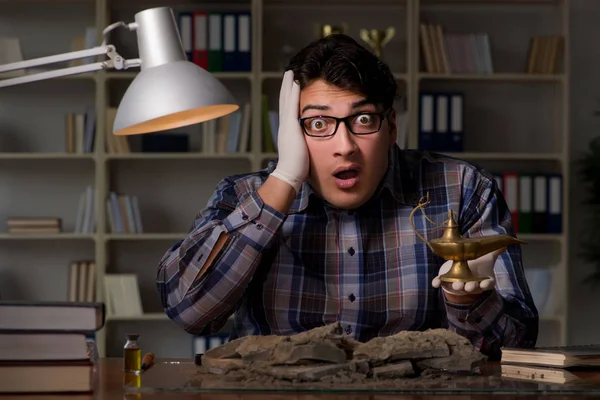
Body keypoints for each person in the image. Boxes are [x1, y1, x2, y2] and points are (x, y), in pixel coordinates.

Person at [156, 34, 538, 361]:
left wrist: (468, 304)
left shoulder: (463, 190)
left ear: (391, 127)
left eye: (363, 119)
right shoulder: (244, 195)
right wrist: (285, 179)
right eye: (318, 123)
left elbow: (517, 350)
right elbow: (190, 313)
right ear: (291, 131)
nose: (345, 146)